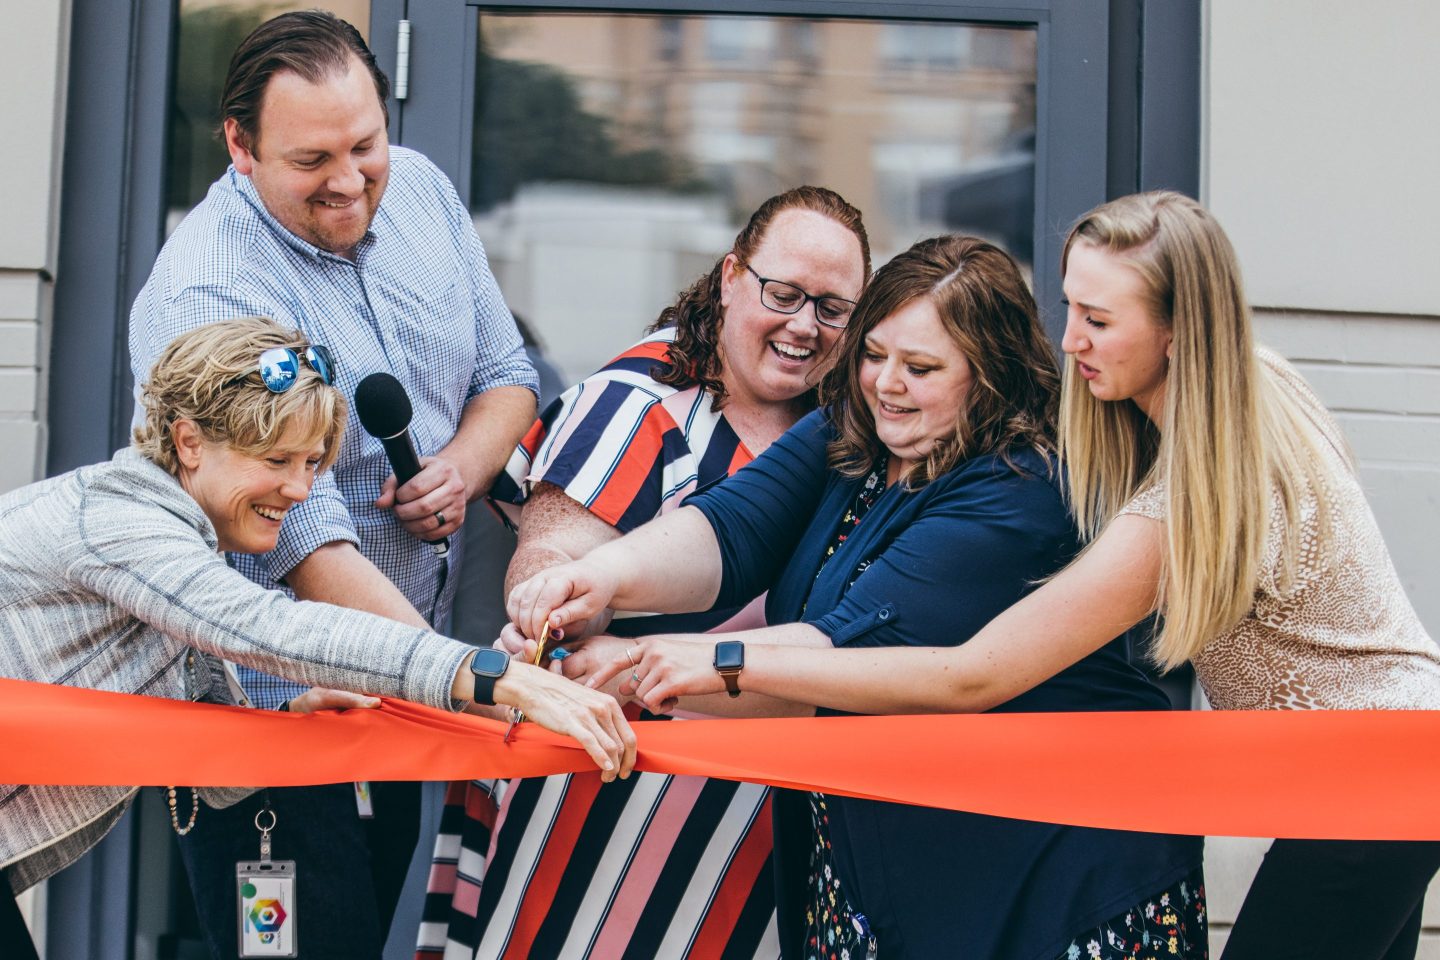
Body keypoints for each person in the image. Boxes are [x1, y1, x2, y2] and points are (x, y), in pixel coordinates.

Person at [591, 193, 1440, 960]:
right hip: (1375, 769)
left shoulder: (1190, 497)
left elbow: (976, 673)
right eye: (1070, 305)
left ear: (1178, 331)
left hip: (1369, 773)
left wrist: (723, 660)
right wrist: (605, 579)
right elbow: (737, 526)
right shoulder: (1249, 393)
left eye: (1100, 321)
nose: (1069, 340)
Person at [510, 235, 1205, 960]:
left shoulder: (1021, 493)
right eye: (874, 354)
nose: (886, 384)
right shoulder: (858, 429)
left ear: (989, 377)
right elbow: (732, 528)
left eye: (922, 367)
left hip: (1044, 883)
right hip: (886, 865)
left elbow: (841, 664)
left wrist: (630, 665)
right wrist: (598, 577)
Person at [0, 318, 635, 960]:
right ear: (188, 440)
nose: (300, 489)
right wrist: (495, 676)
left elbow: (204, 761)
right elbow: (268, 628)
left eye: (311, 464)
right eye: (277, 461)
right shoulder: (121, 522)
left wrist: (285, 722)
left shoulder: (165, 534)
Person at [127, 11, 539, 955]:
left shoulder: (424, 190)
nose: (351, 181)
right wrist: (473, 683)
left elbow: (507, 370)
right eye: (313, 160)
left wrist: (463, 468)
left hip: (397, 704)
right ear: (240, 146)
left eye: (367, 144)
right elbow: (303, 534)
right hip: (274, 727)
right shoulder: (210, 290)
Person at [418, 187, 872, 959]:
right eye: (784, 294)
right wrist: (554, 607)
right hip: (612, 812)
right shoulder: (640, 399)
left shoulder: (852, 425)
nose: (804, 326)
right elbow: (554, 551)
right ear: (731, 277)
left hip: (767, 822)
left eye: (833, 309)